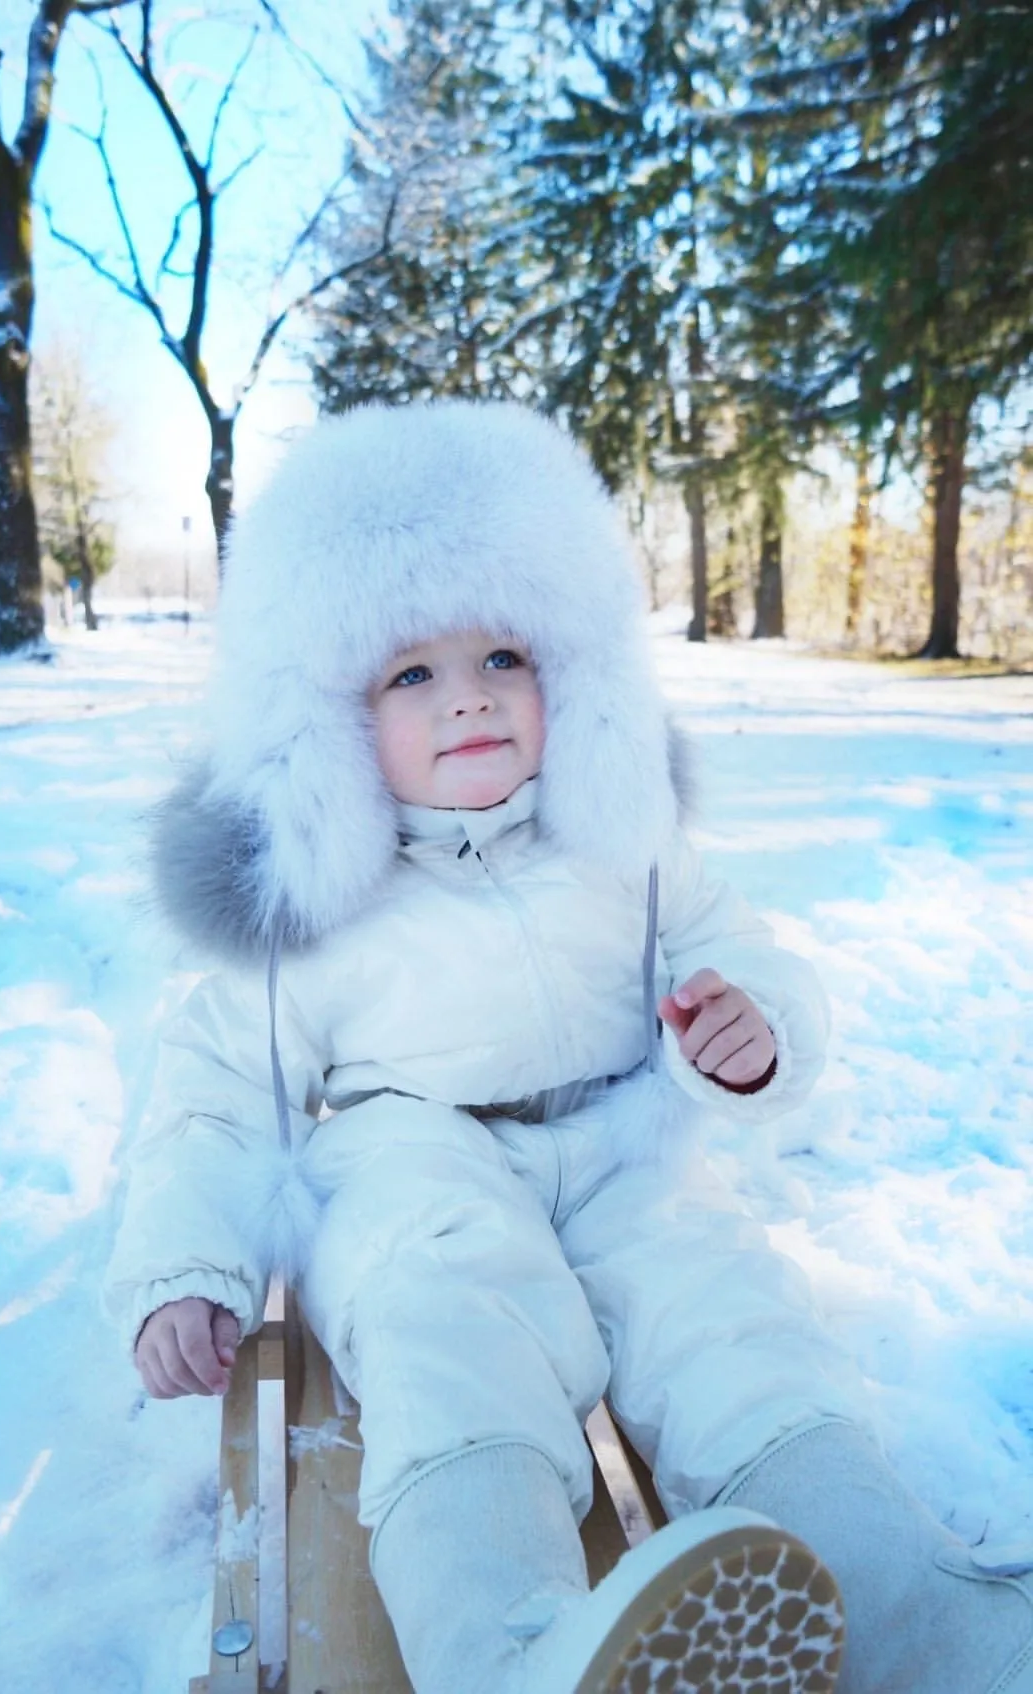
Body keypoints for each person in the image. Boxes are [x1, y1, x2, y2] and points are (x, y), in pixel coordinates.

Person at [106, 400, 1033, 1694]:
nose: (470, 696)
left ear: (571, 665)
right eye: (411, 673)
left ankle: (902, 1600)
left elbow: (739, 948)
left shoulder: (624, 839)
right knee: (447, 1349)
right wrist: (186, 1263)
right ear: (325, 711)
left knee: (731, 1328)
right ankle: (517, 1652)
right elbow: (210, 1094)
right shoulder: (316, 903)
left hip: (623, 1149)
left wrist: (749, 1031)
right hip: (411, 1162)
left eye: (504, 655)